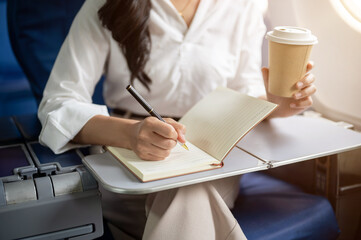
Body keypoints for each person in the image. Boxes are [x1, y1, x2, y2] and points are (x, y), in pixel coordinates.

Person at [38, 0, 317, 239]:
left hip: (214, 153)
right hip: (124, 149)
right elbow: (57, 105)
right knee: (191, 191)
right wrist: (131, 134)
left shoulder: (244, 4)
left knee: (192, 185)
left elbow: (245, 95)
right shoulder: (106, 4)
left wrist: (279, 105)